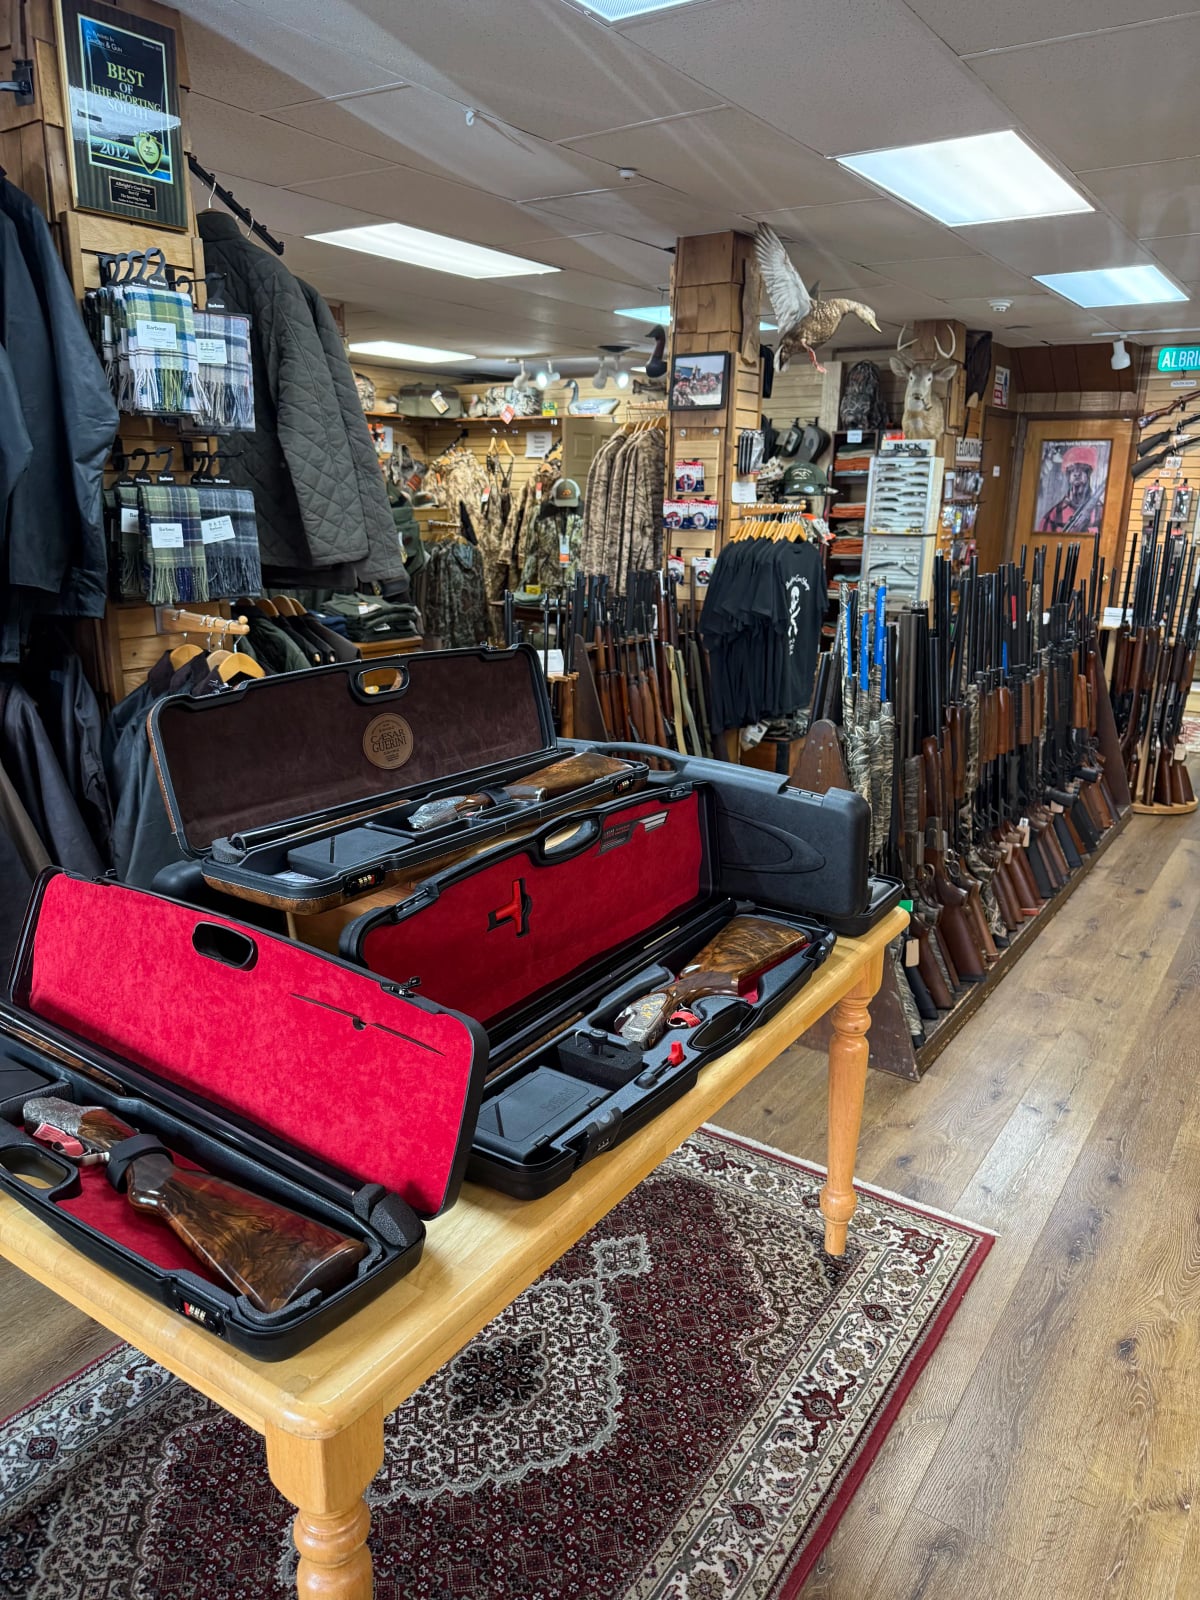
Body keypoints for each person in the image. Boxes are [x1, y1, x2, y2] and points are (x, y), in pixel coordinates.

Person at [1039, 445, 1103, 534]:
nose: (1077, 472)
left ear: (1090, 472)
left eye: (1083, 467)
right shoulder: (1052, 516)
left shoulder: (1101, 512)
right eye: (1072, 468)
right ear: (1067, 474)